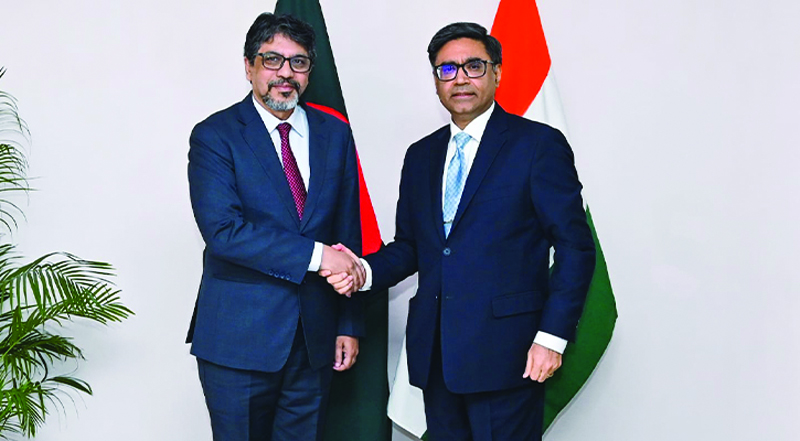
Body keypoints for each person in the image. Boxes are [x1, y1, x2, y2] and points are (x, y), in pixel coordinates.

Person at [323, 22, 596, 441]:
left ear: (497, 72)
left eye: (474, 66)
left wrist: (552, 337)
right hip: (437, 357)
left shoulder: (537, 145)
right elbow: (412, 247)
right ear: (436, 80)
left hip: (511, 356)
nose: (461, 78)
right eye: (447, 69)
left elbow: (575, 248)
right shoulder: (421, 155)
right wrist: (362, 270)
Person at [186, 12, 365, 441]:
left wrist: (347, 323)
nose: (286, 73)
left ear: (309, 71)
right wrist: (319, 256)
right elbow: (224, 232)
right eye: (272, 60)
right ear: (249, 67)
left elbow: (347, 236)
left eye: (298, 62)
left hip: (315, 339)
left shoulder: (335, 134)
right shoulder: (215, 135)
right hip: (238, 341)